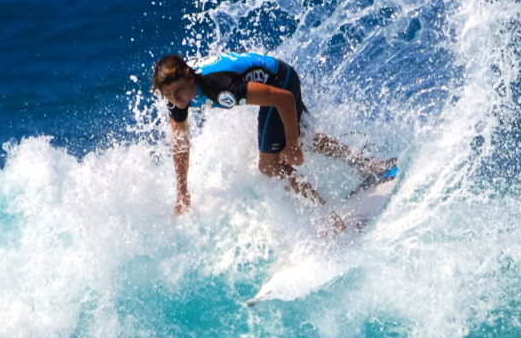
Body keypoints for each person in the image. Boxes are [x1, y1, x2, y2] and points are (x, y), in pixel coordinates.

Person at [151, 52, 390, 231]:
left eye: (178, 91)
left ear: (190, 78)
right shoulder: (176, 97)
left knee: (270, 166)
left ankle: (331, 222)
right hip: (278, 80)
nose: (175, 99)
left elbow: (284, 99)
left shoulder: (221, 88)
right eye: (167, 95)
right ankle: (368, 165)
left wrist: (292, 145)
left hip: (281, 81)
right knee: (306, 137)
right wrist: (182, 191)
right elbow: (180, 142)